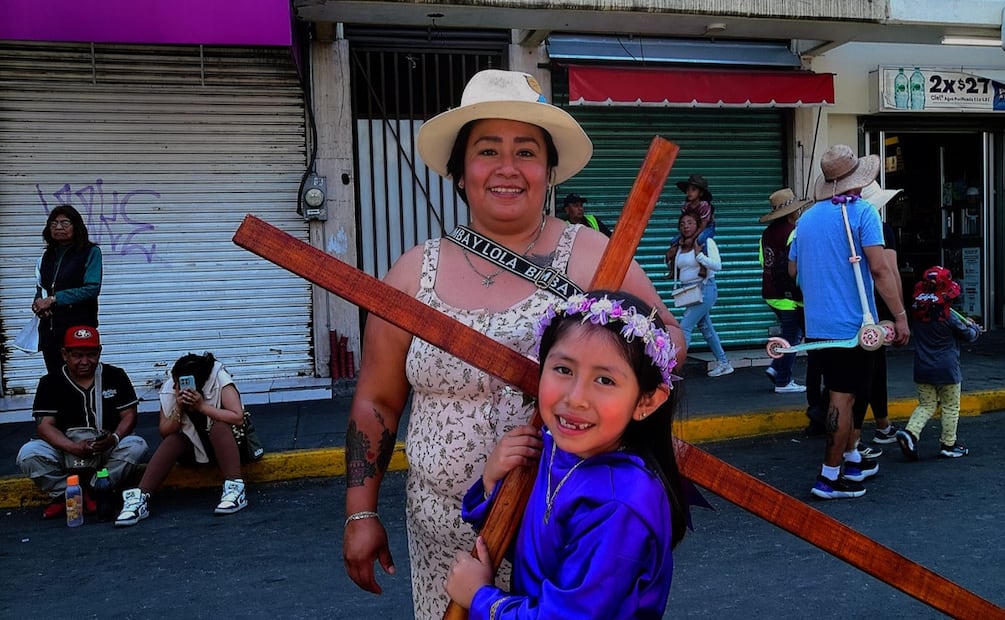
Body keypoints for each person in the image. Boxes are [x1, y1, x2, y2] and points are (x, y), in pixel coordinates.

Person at [340, 69, 686, 619]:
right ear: (460, 172)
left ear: (548, 172)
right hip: (444, 541)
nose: (507, 167)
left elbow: (667, 341)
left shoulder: (594, 257)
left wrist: (600, 378)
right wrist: (360, 512)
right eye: (487, 151)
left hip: (559, 536)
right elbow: (376, 401)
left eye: (526, 151)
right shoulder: (411, 273)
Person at [445, 291, 688, 617]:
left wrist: (480, 598)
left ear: (647, 401)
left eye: (604, 380)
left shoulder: (619, 506)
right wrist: (492, 484)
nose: (575, 398)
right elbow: (541, 549)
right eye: (563, 369)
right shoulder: (553, 449)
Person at [789, 144, 909, 500]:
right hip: (854, 328)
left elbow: (793, 270)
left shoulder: (805, 220)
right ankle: (828, 477)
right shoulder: (862, 213)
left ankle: (853, 461)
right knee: (843, 400)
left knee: (841, 393)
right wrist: (900, 316)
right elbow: (880, 269)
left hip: (817, 326)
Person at [15, 326, 147, 519]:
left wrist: (113, 438)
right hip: (65, 448)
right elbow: (44, 426)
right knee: (28, 454)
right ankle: (66, 493)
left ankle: (95, 490)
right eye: (77, 355)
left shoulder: (115, 375)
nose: (85, 361)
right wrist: (73, 447)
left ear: (99, 352)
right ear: (64, 354)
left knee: (136, 445)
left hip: (105, 449)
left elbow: (129, 415)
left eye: (91, 355)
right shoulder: (50, 382)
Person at [115, 353, 248, 526]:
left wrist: (202, 407)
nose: (178, 387)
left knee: (219, 427)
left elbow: (238, 417)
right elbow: (165, 431)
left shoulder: (219, 378)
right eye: (177, 382)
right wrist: (178, 408)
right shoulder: (170, 388)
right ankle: (140, 497)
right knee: (174, 439)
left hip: (231, 446)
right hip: (194, 450)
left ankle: (235, 487)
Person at [895, 266, 981, 461]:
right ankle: (948, 444)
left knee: (926, 405)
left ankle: (910, 433)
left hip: (922, 368)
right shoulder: (949, 316)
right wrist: (974, 327)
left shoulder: (917, 314)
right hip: (947, 370)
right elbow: (969, 335)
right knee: (950, 407)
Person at [31, 205, 103, 375]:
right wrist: (38, 304)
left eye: (65, 223)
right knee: (55, 377)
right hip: (50, 330)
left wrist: (54, 299)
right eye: (53, 223)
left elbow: (92, 288)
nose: (58, 227)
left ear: (76, 226)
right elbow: (41, 287)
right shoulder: (47, 255)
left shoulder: (90, 252)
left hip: (79, 329)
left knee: (79, 375)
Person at [666, 212, 733, 377]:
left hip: (704, 289)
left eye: (690, 223)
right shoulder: (680, 246)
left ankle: (672, 369)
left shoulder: (706, 242)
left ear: (698, 225)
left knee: (684, 327)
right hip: (689, 292)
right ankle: (724, 363)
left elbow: (717, 266)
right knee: (706, 328)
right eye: (682, 224)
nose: (686, 227)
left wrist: (700, 255)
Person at [759, 188, 812, 394]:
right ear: (792, 212)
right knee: (792, 335)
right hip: (787, 295)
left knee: (793, 332)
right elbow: (796, 263)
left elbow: (763, 261)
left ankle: (776, 367)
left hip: (769, 291)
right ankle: (782, 380)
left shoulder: (766, 233)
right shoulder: (793, 232)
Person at [667, 173, 715, 249]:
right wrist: (683, 237)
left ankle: (703, 255)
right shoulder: (686, 206)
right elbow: (683, 222)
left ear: (701, 193)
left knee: (701, 240)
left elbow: (703, 226)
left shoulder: (704, 205)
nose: (690, 192)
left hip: (706, 227)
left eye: (693, 190)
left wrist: (692, 238)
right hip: (693, 228)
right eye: (688, 190)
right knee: (674, 241)